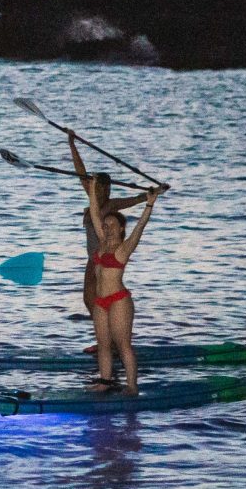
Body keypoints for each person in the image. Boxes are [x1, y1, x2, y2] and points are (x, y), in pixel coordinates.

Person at [67, 132, 162, 394]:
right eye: (99, 186)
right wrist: (72, 143)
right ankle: (105, 375)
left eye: (112, 226)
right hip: (94, 264)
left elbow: (137, 210)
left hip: (115, 288)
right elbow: (82, 178)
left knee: (123, 345)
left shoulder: (115, 215)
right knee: (91, 304)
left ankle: (131, 386)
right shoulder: (94, 208)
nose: (107, 229)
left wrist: (151, 197)